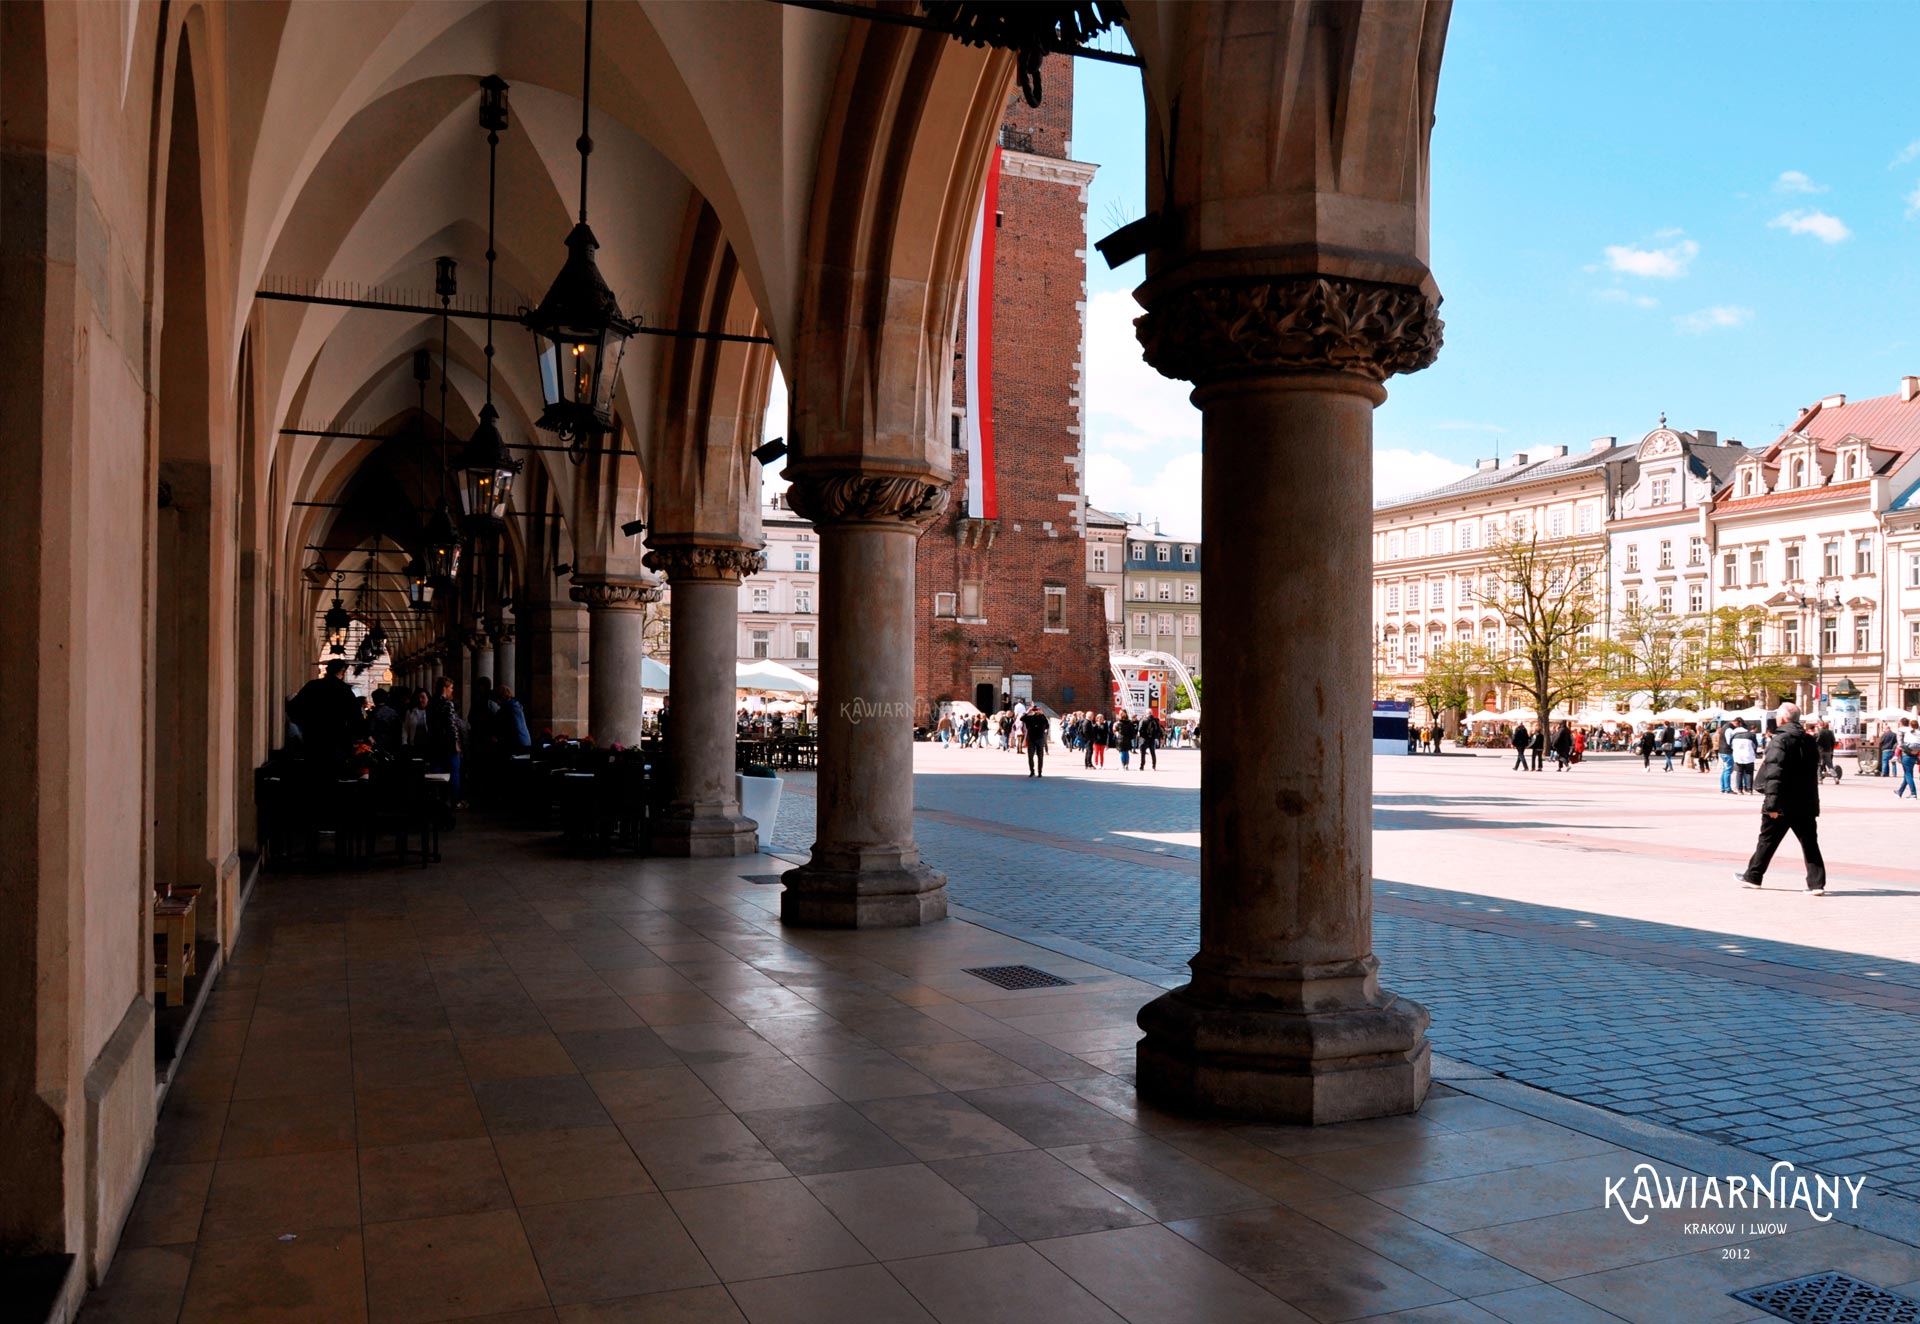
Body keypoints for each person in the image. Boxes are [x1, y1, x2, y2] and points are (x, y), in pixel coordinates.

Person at [1737, 702, 1826, 895]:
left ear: (1783, 719)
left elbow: (1774, 774)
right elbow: (1812, 775)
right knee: (1810, 843)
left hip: (1783, 803)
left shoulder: (1780, 741)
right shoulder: (1809, 740)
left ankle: (1753, 876)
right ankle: (1816, 884)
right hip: (1806, 803)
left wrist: (1771, 805)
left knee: (1767, 840)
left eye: (1778, 715)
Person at [288, 659, 363, 765]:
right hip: (336, 739)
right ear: (342, 671)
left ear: (327, 670)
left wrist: (305, 725)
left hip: (313, 738)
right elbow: (354, 717)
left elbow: (294, 708)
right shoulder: (344, 690)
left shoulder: (312, 686)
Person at [427, 677, 465, 805]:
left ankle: (437, 799)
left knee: (437, 771)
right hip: (447, 743)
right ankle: (456, 800)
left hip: (435, 742)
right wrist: (455, 743)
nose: (452, 691)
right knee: (454, 771)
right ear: (445, 688)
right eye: (451, 688)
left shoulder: (431, 703)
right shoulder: (448, 703)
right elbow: (451, 725)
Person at [1727, 718, 1758, 794]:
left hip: (1738, 756)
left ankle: (1739, 789)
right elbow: (1755, 745)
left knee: (1739, 772)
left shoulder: (1734, 736)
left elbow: (1731, 746)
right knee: (1749, 773)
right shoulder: (1751, 735)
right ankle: (1749, 789)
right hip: (1749, 756)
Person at [368, 686, 403, 753]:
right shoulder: (393, 712)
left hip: (377, 743)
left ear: (374, 699)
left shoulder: (373, 713)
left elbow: (369, 729)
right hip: (392, 743)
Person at [1021, 705, 1050, 777]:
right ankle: (1032, 771)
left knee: (1040, 756)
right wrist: (1028, 711)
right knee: (1030, 756)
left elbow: (1047, 724)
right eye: (1034, 710)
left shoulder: (1042, 717)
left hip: (1040, 738)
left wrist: (1042, 713)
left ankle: (1040, 772)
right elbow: (1021, 718)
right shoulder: (1029, 717)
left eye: (1037, 710)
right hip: (1031, 738)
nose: (1035, 711)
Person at [1898, 720, 1920, 800]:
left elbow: (1901, 729)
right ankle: (1900, 791)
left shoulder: (1908, 730)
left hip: (1908, 751)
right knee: (1908, 774)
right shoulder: (1918, 731)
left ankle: (1913, 793)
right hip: (1917, 747)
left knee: (1908, 774)